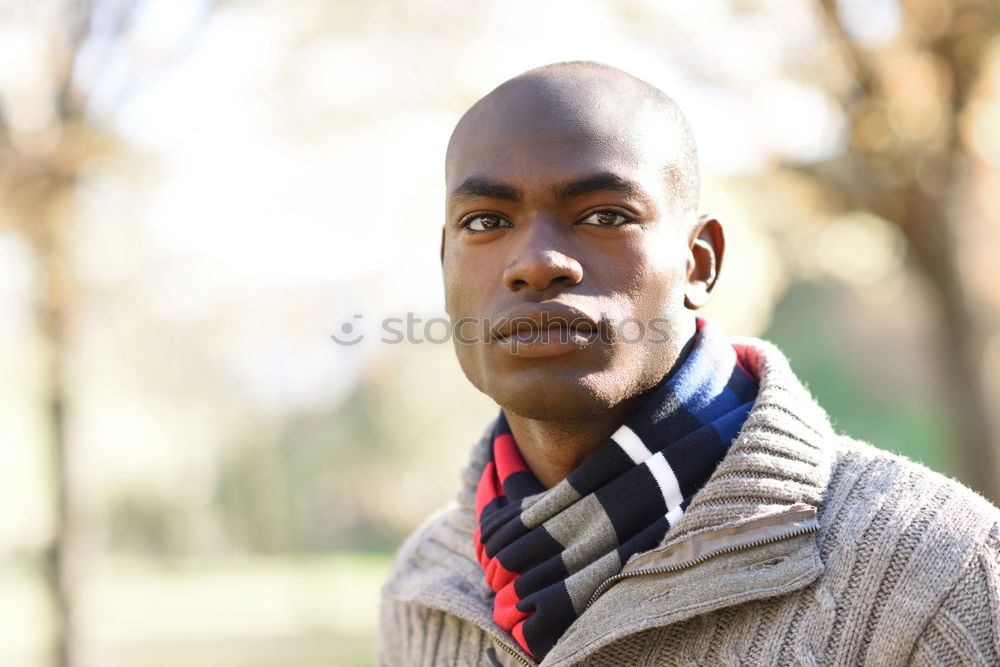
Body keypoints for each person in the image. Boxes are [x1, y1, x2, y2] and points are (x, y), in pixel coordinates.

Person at [378, 61, 1000, 666]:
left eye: (604, 216)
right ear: (444, 267)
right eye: (485, 222)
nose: (536, 262)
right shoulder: (426, 588)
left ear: (699, 263)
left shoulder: (939, 576)